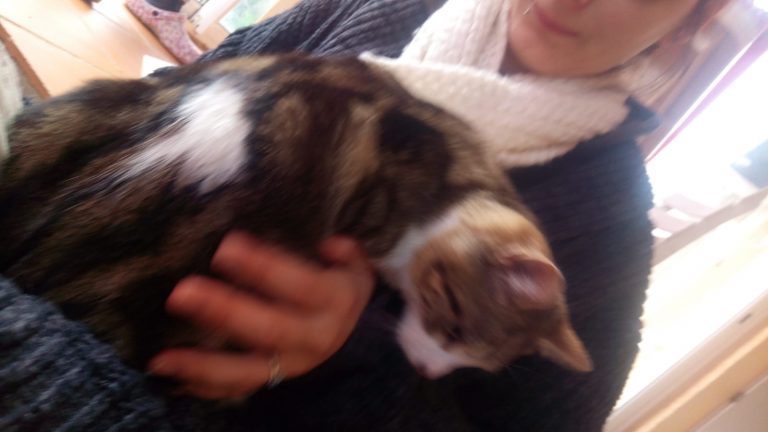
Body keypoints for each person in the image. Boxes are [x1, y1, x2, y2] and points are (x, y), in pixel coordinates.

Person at [0, 0, 731, 430]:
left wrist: (347, 364)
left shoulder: (609, 233)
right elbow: (179, 97)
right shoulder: (380, 6)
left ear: (684, 25)